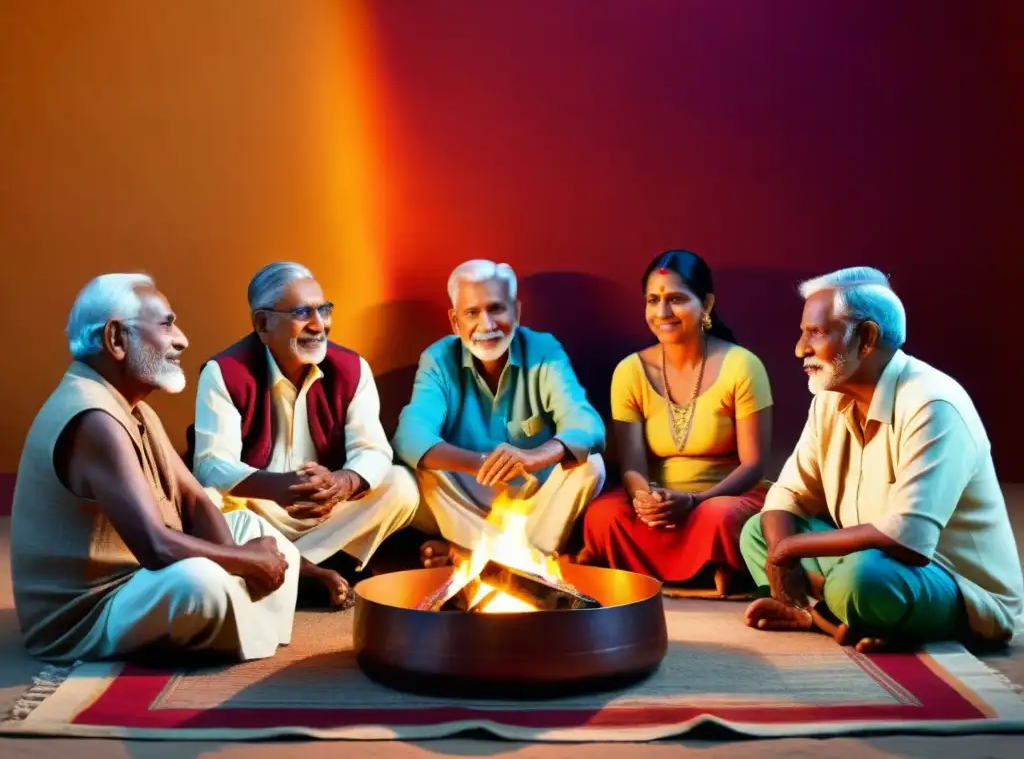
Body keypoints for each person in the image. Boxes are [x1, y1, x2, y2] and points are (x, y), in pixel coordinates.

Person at [11, 274, 298, 664]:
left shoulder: (135, 407)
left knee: (263, 534)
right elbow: (156, 546)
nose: (181, 339)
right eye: (166, 324)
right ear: (115, 339)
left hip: (137, 579)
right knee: (199, 582)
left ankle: (236, 623)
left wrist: (243, 560)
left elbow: (193, 499)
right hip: (90, 613)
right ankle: (236, 620)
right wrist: (246, 563)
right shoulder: (94, 418)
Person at [741, 267, 1023, 651]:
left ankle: (827, 612)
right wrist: (780, 547)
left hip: (947, 582)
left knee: (862, 579)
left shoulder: (932, 403)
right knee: (759, 530)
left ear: (867, 338)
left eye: (817, 332)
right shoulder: (829, 399)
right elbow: (788, 494)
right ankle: (831, 615)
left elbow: (907, 539)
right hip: (866, 560)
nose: (799, 347)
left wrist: (790, 551)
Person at [189, 262, 419, 607]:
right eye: (302, 312)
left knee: (402, 485)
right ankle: (308, 573)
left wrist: (342, 482)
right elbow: (210, 464)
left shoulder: (352, 369)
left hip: (327, 508)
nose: (318, 324)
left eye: (323, 309)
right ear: (262, 324)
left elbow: (372, 450)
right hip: (260, 508)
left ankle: (286, 570)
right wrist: (279, 486)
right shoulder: (224, 373)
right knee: (206, 499)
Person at [577, 250, 773, 596]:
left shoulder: (742, 365)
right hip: (657, 499)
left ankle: (713, 567)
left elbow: (754, 464)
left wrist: (695, 501)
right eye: (653, 300)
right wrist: (646, 500)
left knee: (721, 519)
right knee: (602, 514)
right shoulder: (630, 371)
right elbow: (632, 464)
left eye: (676, 299)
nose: (662, 312)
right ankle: (700, 571)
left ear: (706, 304)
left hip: (722, 496)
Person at [393, 259, 606, 567]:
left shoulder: (543, 349)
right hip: (465, 500)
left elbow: (587, 425)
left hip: (536, 503)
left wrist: (535, 457)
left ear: (516, 312)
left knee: (591, 466)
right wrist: (484, 464)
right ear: (455, 322)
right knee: (422, 467)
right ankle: (529, 563)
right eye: (472, 313)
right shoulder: (439, 358)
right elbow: (409, 436)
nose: (487, 325)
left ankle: (472, 557)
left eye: (496, 309)